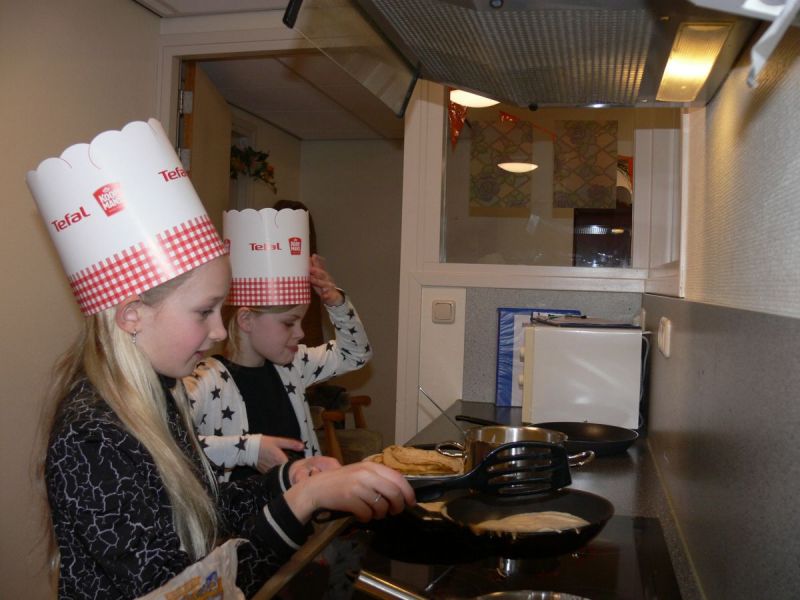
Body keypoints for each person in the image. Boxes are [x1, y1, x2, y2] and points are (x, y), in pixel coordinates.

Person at [28, 119, 414, 599]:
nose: (217, 330)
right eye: (204, 311)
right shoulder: (94, 434)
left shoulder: (157, 394)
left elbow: (205, 512)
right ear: (132, 315)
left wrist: (287, 479)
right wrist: (303, 502)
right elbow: (187, 589)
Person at [186, 207, 372, 481]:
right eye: (288, 323)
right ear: (247, 320)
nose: (300, 333)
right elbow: (168, 446)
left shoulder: (294, 366)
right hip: (244, 522)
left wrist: (337, 303)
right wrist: (247, 449)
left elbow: (355, 354)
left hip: (300, 511)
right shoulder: (205, 380)